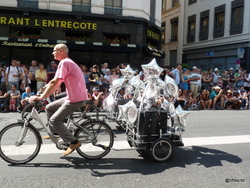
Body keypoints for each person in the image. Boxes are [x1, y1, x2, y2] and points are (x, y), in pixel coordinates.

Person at [32, 44, 88, 156]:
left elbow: (55, 82)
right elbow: (55, 81)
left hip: (75, 99)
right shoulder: (66, 62)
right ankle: (56, 133)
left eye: (54, 51)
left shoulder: (65, 62)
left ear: (61, 51)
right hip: (72, 96)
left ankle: (74, 142)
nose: (52, 53)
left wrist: (42, 96)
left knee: (54, 120)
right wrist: (44, 91)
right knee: (49, 107)